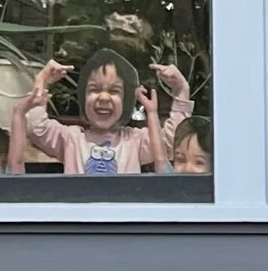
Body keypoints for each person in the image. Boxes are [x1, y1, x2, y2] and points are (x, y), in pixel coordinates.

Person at [20, 48, 189, 176]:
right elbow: (36, 128)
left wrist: (181, 90)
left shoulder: (135, 141)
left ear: (126, 100)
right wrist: (41, 81)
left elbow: (173, 140)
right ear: (83, 97)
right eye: (94, 89)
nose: (103, 97)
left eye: (114, 91)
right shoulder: (71, 139)